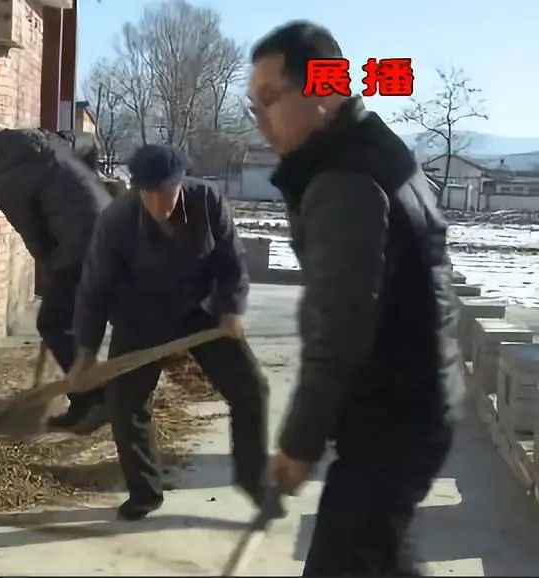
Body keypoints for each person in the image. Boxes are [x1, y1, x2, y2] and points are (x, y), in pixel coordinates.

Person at [248, 20, 465, 575]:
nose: (261, 120)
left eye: (271, 99)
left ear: (323, 90)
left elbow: (339, 326)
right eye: (254, 105)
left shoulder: (345, 179)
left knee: (347, 560)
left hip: (396, 413)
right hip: (409, 403)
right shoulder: (371, 152)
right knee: (377, 554)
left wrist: (299, 443)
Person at [68, 143, 279, 521]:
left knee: (251, 389)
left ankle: (255, 481)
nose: (156, 202)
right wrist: (86, 352)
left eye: (164, 191)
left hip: (201, 309)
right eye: (146, 192)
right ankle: (145, 493)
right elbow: (95, 289)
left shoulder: (207, 201)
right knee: (126, 405)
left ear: (181, 183)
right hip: (139, 316)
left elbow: (231, 262)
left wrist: (231, 309)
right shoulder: (117, 220)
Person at [0, 116, 113, 433]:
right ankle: (91, 397)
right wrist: (87, 182)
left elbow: (33, 233)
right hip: (109, 222)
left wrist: (51, 266)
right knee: (89, 316)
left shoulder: (3, 176)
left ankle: (95, 397)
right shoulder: (36, 138)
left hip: (81, 241)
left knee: (53, 322)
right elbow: (86, 142)